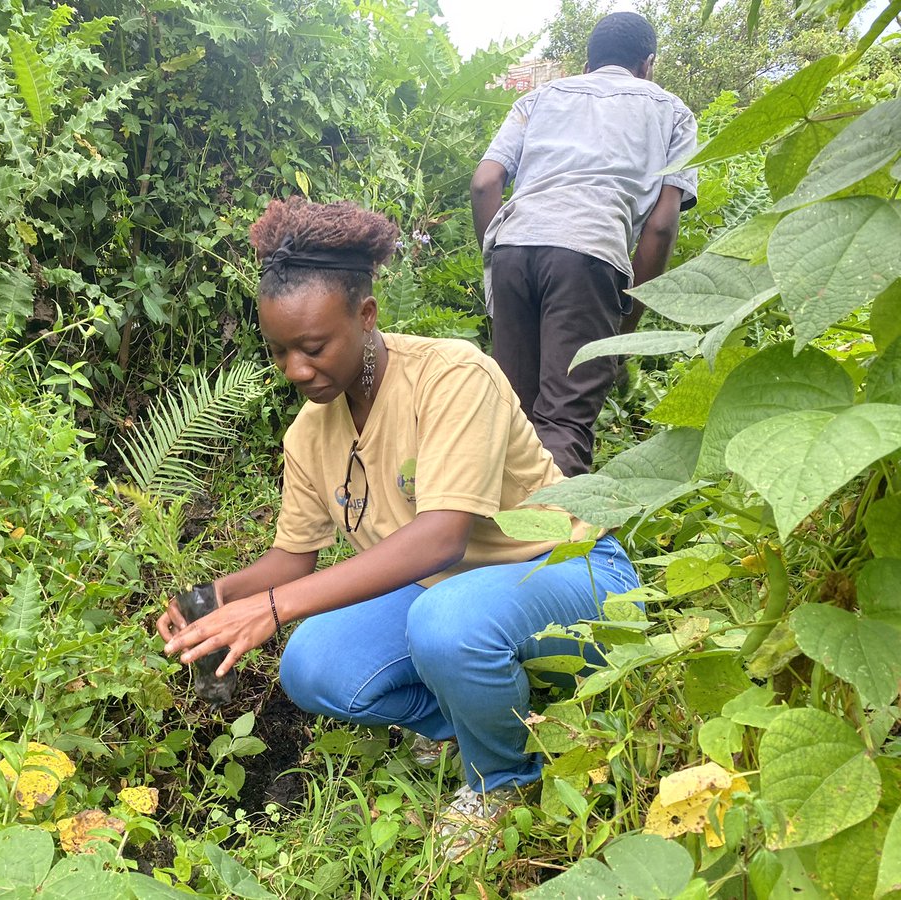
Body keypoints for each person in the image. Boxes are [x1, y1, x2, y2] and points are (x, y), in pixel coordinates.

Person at [157, 197, 639, 857]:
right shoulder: (309, 433)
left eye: (315, 346)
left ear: (366, 315)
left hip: (571, 575)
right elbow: (291, 561)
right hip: (448, 597)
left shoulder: (451, 376)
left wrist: (272, 609)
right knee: (313, 664)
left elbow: (442, 539)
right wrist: (215, 597)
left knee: (445, 623)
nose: (297, 370)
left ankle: (503, 778)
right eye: (280, 352)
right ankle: (490, 719)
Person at [471, 12, 698, 477]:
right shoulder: (672, 113)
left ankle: (499, 538)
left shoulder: (540, 97)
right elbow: (660, 228)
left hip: (515, 247)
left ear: (588, 61)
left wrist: (497, 261)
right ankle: (551, 542)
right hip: (589, 254)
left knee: (512, 413)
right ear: (648, 63)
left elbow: (485, 182)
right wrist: (627, 321)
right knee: (564, 421)